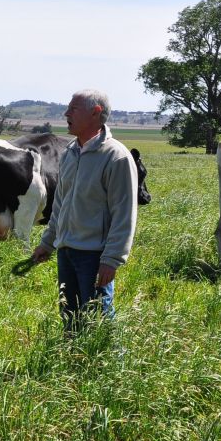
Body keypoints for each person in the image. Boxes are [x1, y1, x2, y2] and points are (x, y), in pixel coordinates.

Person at [31, 89, 138, 332]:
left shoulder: (116, 156)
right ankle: (73, 363)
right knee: (69, 315)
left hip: (94, 255)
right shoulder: (70, 152)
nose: (66, 113)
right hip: (66, 251)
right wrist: (48, 242)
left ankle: (108, 367)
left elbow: (124, 214)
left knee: (97, 317)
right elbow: (60, 203)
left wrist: (111, 259)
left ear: (95, 113)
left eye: (73, 109)